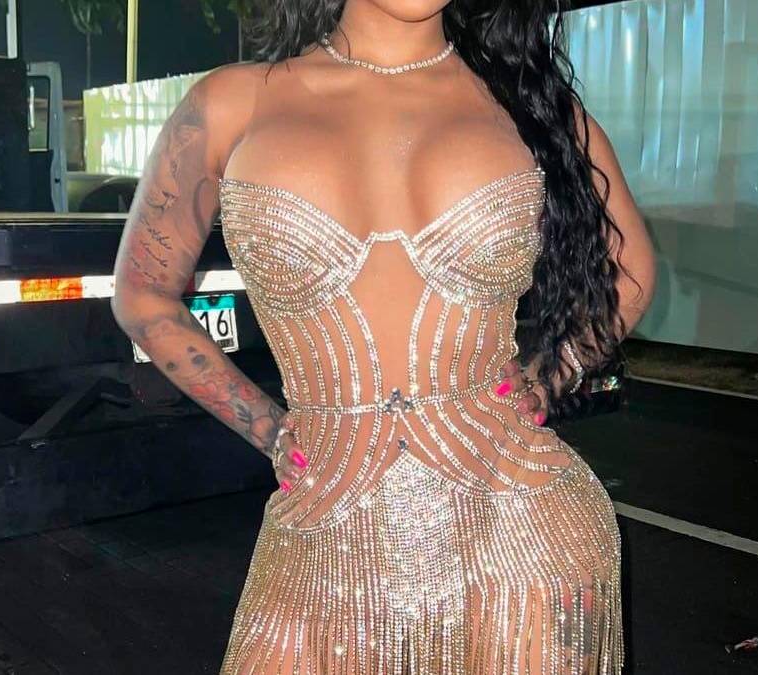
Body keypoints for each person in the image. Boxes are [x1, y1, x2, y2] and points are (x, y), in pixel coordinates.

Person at [111, 1, 656, 672]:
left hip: (526, 544)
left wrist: (550, 376)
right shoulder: (232, 104)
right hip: (324, 544)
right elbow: (143, 294)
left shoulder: (530, 104)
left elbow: (632, 269)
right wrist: (269, 428)